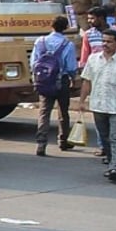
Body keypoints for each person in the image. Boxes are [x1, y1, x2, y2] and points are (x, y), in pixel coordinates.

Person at [79, 29, 116, 182]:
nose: (105, 44)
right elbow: (87, 81)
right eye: (104, 41)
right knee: (105, 137)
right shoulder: (93, 59)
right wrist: (82, 101)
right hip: (98, 105)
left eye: (109, 41)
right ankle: (112, 162)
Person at [79, 6, 116, 156]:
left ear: (101, 18)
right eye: (89, 18)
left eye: (92, 18)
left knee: (115, 112)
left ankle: (115, 148)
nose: (90, 21)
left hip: (115, 76)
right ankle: (103, 146)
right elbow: (85, 56)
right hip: (96, 77)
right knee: (99, 112)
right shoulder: (88, 34)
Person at [32, 16, 77, 156]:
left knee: (44, 112)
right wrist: (73, 78)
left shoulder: (40, 41)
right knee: (63, 111)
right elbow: (71, 67)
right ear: (66, 28)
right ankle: (63, 140)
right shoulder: (68, 45)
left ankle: (41, 142)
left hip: (44, 80)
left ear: (51, 26)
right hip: (61, 80)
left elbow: (34, 63)